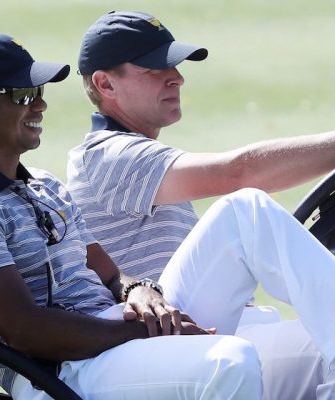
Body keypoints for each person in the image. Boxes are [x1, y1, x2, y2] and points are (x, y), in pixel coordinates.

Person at [0, 32, 264, 400]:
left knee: (246, 213)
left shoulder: (44, 184)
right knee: (232, 361)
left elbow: (107, 272)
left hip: (109, 338)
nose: (40, 106)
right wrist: (145, 332)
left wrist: (138, 289)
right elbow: (26, 331)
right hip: (58, 373)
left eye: (40, 93)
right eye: (23, 96)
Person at [66, 10, 335, 399]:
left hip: (200, 333)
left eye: (174, 65)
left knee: (315, 345)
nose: (176, 77)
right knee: (246, 214)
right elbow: (237, 173)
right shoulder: (106, 156)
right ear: (105, 83)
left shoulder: (142, 154)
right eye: (154, 69)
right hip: (147, 347)